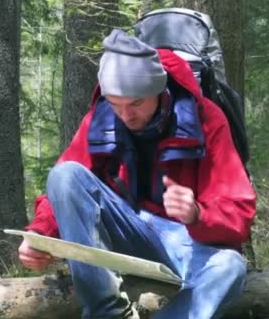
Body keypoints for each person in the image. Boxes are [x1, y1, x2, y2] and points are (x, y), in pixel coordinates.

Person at [18, 29, 256, 319]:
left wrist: (197, 213)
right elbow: (67, 189)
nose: (126, 115)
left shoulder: (206, 118)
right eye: (116, 104)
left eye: (136, 103)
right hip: (126, 230)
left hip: (185, 242)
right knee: (64, 175)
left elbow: (240, 213)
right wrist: (40, 236)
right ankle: (108, 313)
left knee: (230, 268)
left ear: (158, 90)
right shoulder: (100, 118)